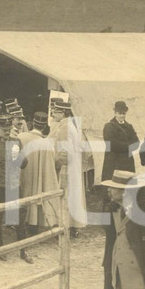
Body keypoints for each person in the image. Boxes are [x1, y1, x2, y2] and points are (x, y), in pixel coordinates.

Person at [0, 113, 32, 263]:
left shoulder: (16, 142)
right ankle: (0, 249)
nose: (6, 131)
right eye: (4, 129)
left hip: (13, 186)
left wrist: (19, 156)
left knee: (19, 219)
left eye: (8, 129)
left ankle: (23, 251)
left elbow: (24, 164)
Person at [47, 99, 89, 238]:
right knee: (72, 195)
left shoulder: (64, 126)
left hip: (67, 167)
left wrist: (57, 165)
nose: (53, 113)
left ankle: (66, 226)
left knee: (66, 194)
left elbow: (64, 151)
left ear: (62, 113)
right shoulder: (70, 124)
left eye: (56, 111)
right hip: (73, 165)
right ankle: (71, 226)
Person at [17, 112, 60, 235]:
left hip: (22, 173)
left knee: (22, 197)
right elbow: (50, 164)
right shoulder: (45, 143)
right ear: (44, 127)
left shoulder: (20, 136)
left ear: (32, 124)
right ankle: (33, 226)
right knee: (35, 197)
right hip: (36, 175)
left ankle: (18, 225)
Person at [101, 100, 139, 182]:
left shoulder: (129, 127)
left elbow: (136, 143)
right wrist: (129, 145)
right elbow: (112, 145)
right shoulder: (109, 126)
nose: (122, 116)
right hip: (114, 162)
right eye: (120, 113)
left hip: (127, 163)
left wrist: (121, 145)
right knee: (113, 187)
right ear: (115, 113)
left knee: (127, 187)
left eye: (124, 113)